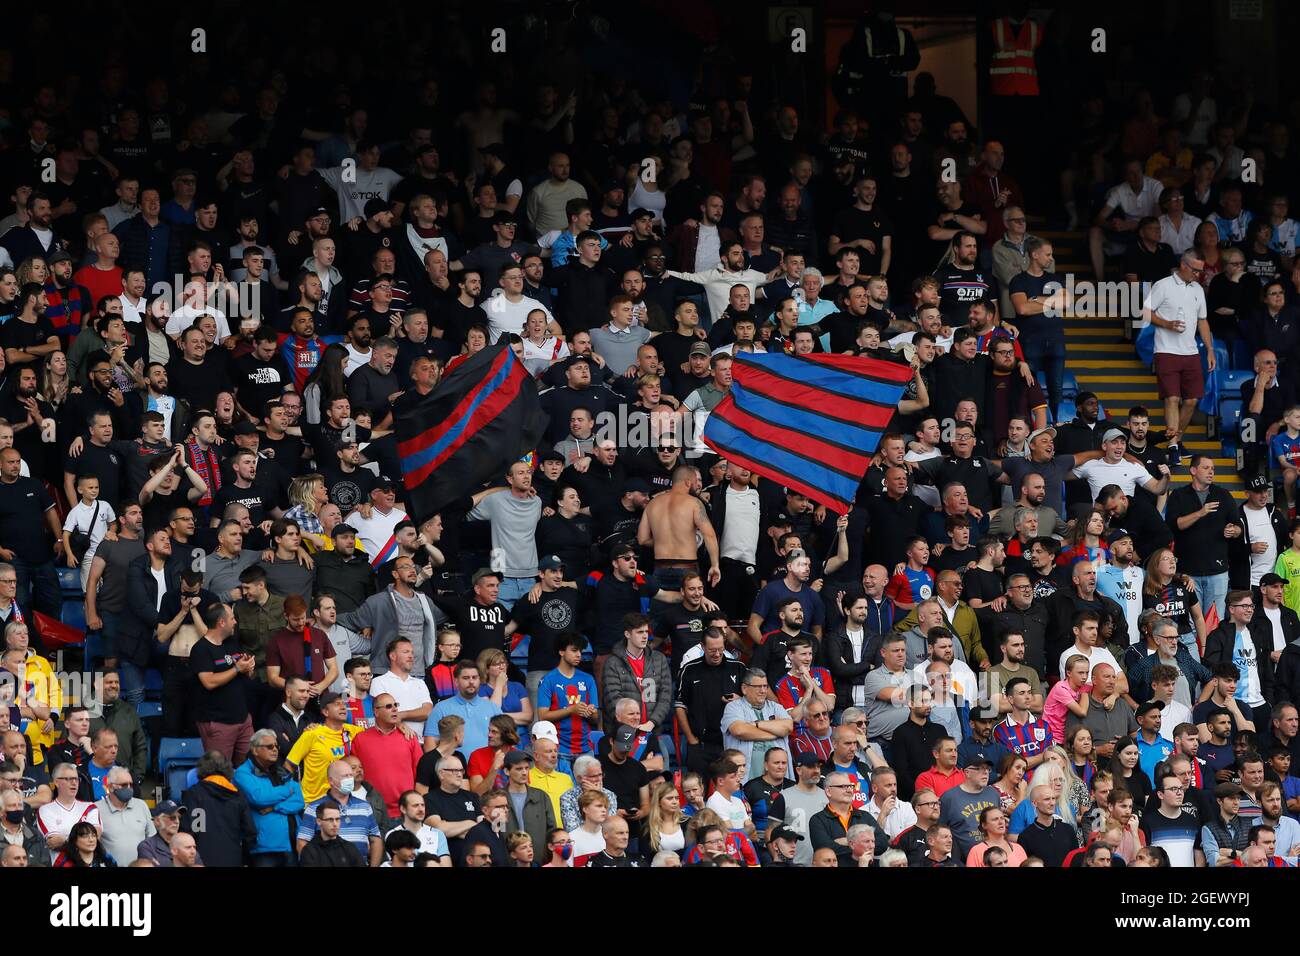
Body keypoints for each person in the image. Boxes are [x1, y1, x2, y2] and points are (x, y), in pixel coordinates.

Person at [232, 728, 305, 867]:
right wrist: (287, 789)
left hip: (291, 843)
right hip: (265, 847)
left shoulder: (280, 770)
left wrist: (274, 807)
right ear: (255, 750)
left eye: (276, 746)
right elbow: (259, 798)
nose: (275, 750)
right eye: (269, 747)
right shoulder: (243, 773)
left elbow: (299, 800)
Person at [180, 751, 257, 868]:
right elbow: (250, 833)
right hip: (233, 860)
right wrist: (244, 858)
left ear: (201, 768)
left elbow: (191, 830)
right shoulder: (239, 796)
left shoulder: (194, 794)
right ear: (227, 768)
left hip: (201, 860)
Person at [1139, 770, 1206, 867]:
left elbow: (1199, 856)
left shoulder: (1192, 820)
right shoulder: (1147, 822)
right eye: (1174, 789)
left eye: (1181, 788)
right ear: (1160, 794)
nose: (1179, 793)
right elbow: (1143, 857)